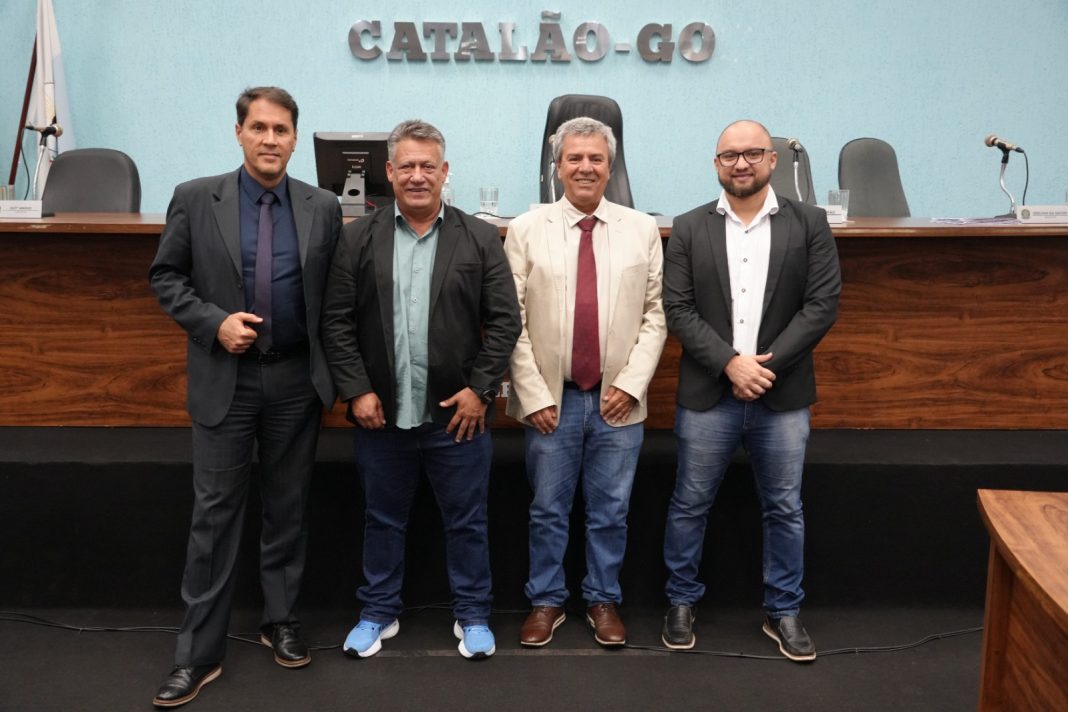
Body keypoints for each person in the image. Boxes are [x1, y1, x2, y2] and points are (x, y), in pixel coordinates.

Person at [148, 86, 342, 707]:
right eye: (258, 127)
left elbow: (334, 295)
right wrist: (214, 323)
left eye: (281, 129)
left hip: (294, 382)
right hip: (225, 379)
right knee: (215, 517)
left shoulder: (323, 206)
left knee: (288, 508)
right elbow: (166, 277)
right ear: (239, 133)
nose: (269, 139)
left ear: (295, 138)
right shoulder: (195, 197)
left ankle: (279, 621)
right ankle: (197, 654)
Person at [321, 119, 520, 660]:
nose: (417, 176)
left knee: (467, 521)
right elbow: (337, 321)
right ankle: (377, 612)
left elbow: (506, 321)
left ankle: (473, 614)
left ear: (444, 171)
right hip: (381, 413)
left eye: (427, 166)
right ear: (388, 171)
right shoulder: (357, 237)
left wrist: (481, 391)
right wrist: (355, 389)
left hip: (457, 414)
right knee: (382, 520)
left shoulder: (479, 237)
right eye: (406, 165)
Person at [660, 119, 841, 661]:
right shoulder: (688, 227)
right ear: (716, 164)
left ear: (772, 160)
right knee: (689, 504)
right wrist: (729, 365)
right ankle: (680, 601)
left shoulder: (810, 223)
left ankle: (783, 610)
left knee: (784, 507)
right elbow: (678, 309)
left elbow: (821, 305)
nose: (741, 163)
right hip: (708, 394)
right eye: (730, 155)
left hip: (781, 396)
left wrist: (763, 368)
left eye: (753, 153)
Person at [504, 117, 667, 648]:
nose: (585, 167)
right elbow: (511, 320)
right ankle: (546, 600)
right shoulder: (526, 229)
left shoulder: (641, 229)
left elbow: (656, 315)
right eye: (574, 157)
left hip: (618, 401)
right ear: (557, 167)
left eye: (596, 158)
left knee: (611, 512)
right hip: (553, 399)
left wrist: (632, 385)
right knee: (547, 510)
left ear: (610, 167)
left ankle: (602, 599)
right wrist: (533, 393)